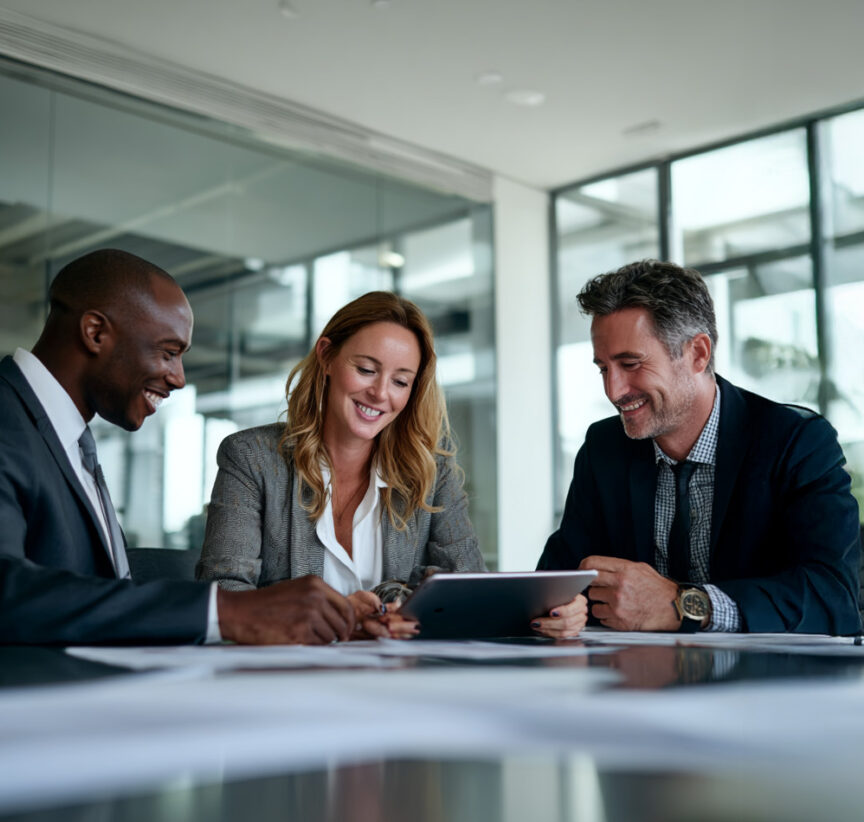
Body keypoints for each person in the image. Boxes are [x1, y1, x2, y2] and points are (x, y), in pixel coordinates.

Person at [0, 249, 356, 645]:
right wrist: (227, 612)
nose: (178, 377)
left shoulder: (67, 437)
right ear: (95, 332)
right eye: (168, 352)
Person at [538, 259, 860, 634]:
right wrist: (563, 608)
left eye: (630, 363)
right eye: (603, 368)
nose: (614, 390)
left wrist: (685, 606)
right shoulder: (604, 448)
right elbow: (556, 580)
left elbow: (833, 597)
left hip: (761, 683)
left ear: (698, 354)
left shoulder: (796, 442)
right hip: (632, 682)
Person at [196, 292, 483, 638]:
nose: (380, 393)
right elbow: (225, 596)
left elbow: (467, 583)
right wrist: (342, 618)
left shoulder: (431, 466)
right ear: (327, 356)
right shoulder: (251, 457)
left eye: (400, 381)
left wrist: (391, 605)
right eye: (365, 369)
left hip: (400, 679)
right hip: (284, 679)